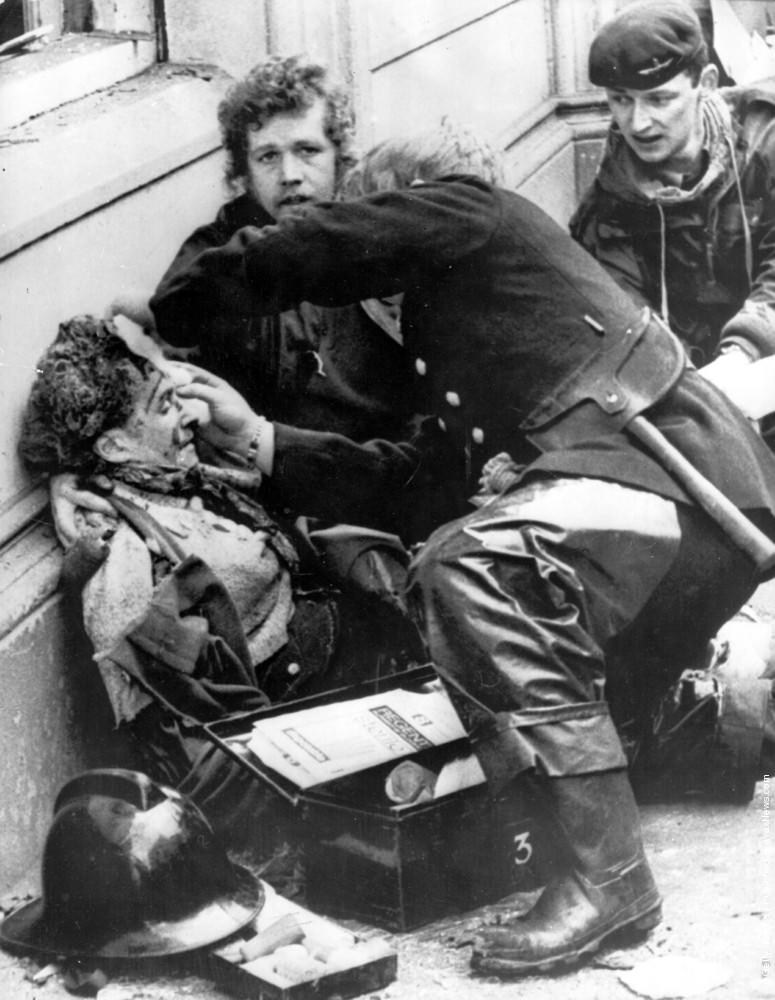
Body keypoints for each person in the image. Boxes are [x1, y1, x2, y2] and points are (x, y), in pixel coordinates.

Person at [158, 122, 775, 976]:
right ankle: (672, 743)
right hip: (673, 511)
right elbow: (423, 479)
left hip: (685, 495)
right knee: (458, 555)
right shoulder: (472, 324)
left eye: (375, 211)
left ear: (409, 208)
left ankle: (610, 882)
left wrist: (198, 289)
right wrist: (263, 439)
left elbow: (331, 244)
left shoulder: (475, 211)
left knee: (469, 567)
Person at [18, 316, 419, 839]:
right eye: (165, 406)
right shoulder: (127, 564)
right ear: (113, 447)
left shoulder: (167, 468)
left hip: (354, 653)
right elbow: (186, 748)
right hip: (323, 730)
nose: (189, 415)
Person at [570, 0, 775, 388]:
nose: (637, 122)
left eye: (659, 99)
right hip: (684, 386)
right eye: (620, 99)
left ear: (708, 83)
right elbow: (624, 319)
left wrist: (742, 354)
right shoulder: (606, 207)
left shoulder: (765, 141)